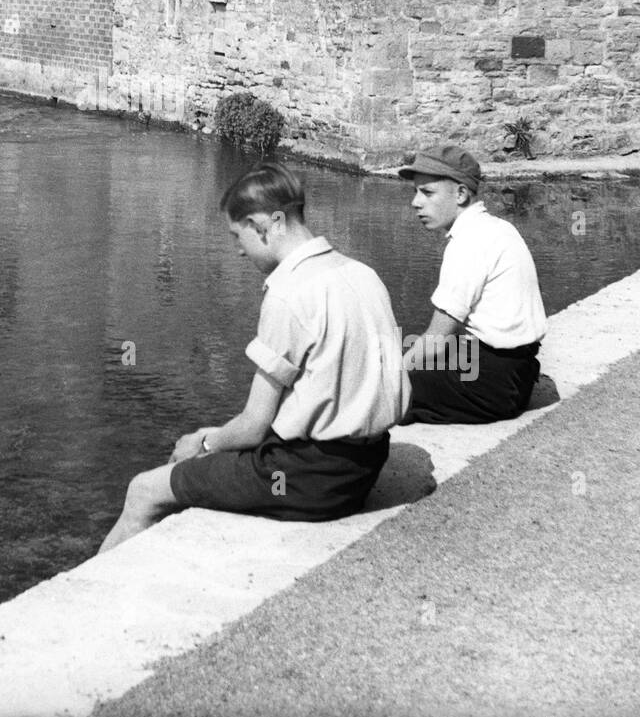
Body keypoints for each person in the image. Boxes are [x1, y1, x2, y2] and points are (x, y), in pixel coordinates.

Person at [99, 160, 409, 554]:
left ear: (265, 225)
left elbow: (253, 426)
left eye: (238, 234)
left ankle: (79, 607)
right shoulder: (363, 273)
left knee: (143, 490)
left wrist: (202, 443)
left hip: (309, 478)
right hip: (365, 466)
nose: (237, 250)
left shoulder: (288, 293)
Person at [398, 144, 547, 424]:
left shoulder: (468, 243)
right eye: (415, 192)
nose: (415, 202)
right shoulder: (496, 227)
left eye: (427, 192)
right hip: (519, 373)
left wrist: (391, 378)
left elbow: (437, 339)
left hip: (490, 384)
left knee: (383, 393)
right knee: (403, 349)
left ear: (461, 194)